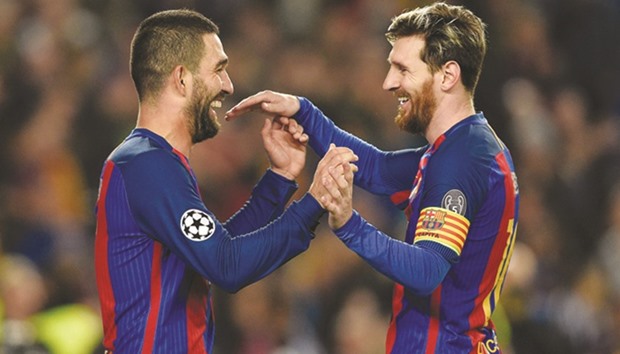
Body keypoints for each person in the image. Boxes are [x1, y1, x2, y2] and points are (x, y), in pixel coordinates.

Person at [225, 2, 519, 353]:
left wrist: (349, 224)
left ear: (447, 75)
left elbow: (427, 270)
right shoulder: (464, 148)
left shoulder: (462, 160)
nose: (388, 83)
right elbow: (377, 169)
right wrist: (303, 111)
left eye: (402, 69)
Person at [93, 9, 357, 354]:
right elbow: (227, 266)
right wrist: (314, 201)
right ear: (182, 79)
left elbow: (221, 248)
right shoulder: (146, 165)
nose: (229, 85)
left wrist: (279, 180)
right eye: (218, 69)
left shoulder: (154, 161)